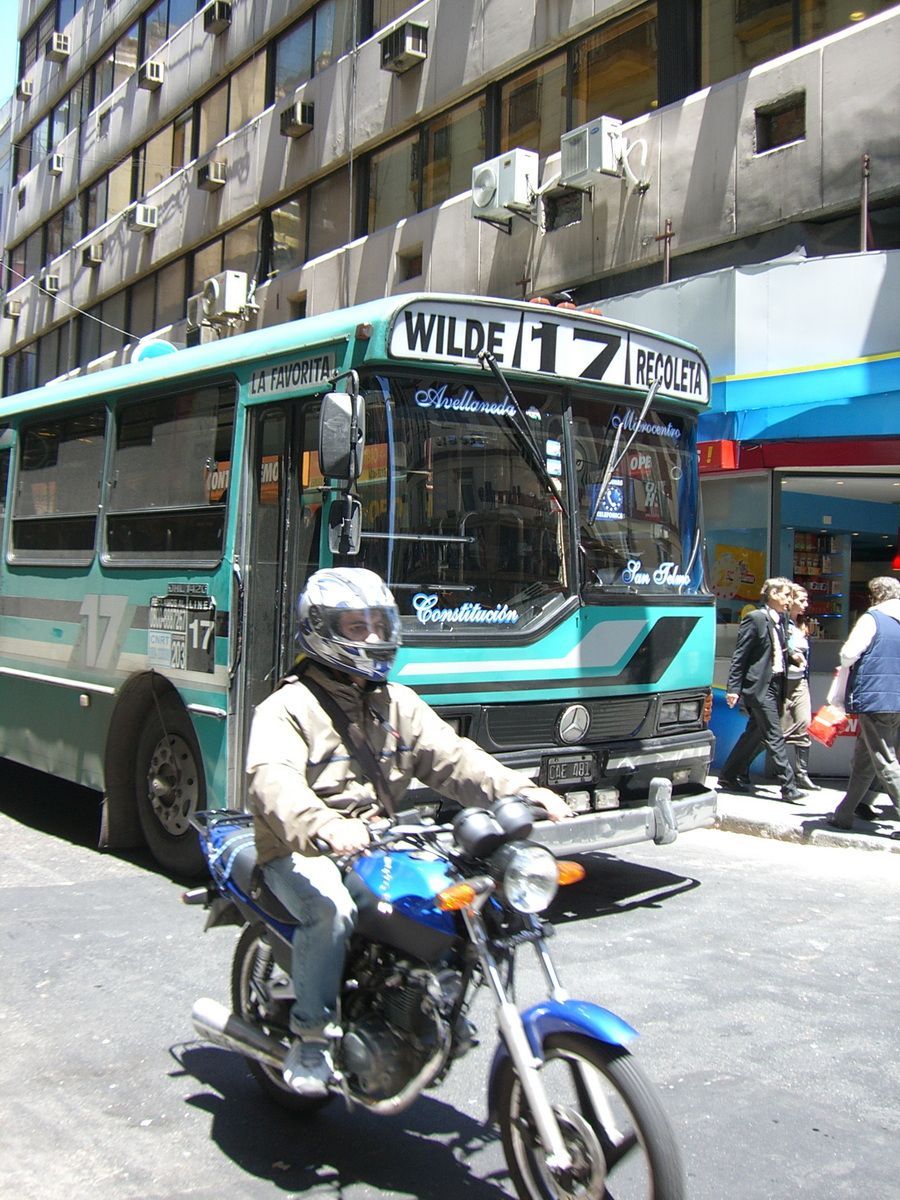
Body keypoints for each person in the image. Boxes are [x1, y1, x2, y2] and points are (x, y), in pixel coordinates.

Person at [246, 567, 572, 1097]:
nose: (373, 637)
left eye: (379, 624)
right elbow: (273, 783)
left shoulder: (396, 703)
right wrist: (326, 825)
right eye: (357, 627)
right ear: (321, 630)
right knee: (331, 909)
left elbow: (453, 758)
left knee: (457, 899)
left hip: (378, 838)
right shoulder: (286, 708)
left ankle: (427, 1005)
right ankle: (311, 1038)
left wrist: (521, 791)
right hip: (302, 847)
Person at [718, 576, 805, 802]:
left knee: (754, 735)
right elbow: (741, 656)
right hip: (759, 686)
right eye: (786, 595)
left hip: (776, 684)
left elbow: (776, 650)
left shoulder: (781, 620)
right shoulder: (755, 619)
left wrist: (793, 657)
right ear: (773, 594)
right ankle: (788, 786)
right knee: (774, 735)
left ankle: (728, 775)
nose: (789, 599)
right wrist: (733, 688)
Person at [826, 575, 900, 830]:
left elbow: (848, 653)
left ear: (875, 595)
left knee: (885, 760)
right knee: (865, 759)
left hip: (876, 697)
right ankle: (844, 814)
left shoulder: (872, 618)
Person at [782, 586, 817, 790]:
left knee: (804, 723)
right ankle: (740, 768)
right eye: (801, 600)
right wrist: (791, 654)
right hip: (783, 681)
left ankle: (802, 774)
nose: (806, 604)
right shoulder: (780, 622)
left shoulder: (802, 624)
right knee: (774, 730)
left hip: (800, 681)